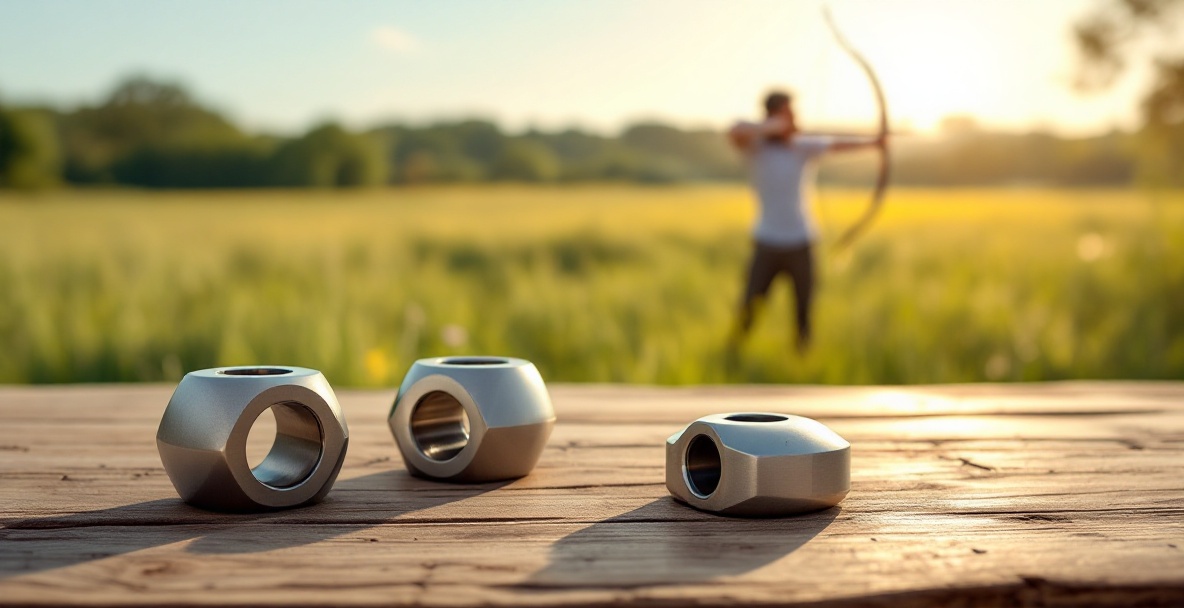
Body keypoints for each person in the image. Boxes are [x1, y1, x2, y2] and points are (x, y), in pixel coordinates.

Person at [727, 90, 885, 354]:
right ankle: (731, 356)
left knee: (804, 311)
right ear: (774, 116)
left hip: (801, 243)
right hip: (766, 244)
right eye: (789, 113)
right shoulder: (756, 148)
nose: (795, 119)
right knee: (749, 307)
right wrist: (773, 126)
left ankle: (803, 362)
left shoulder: (802, 147)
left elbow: (837, 143)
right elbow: (735, 131)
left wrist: (875, 143)